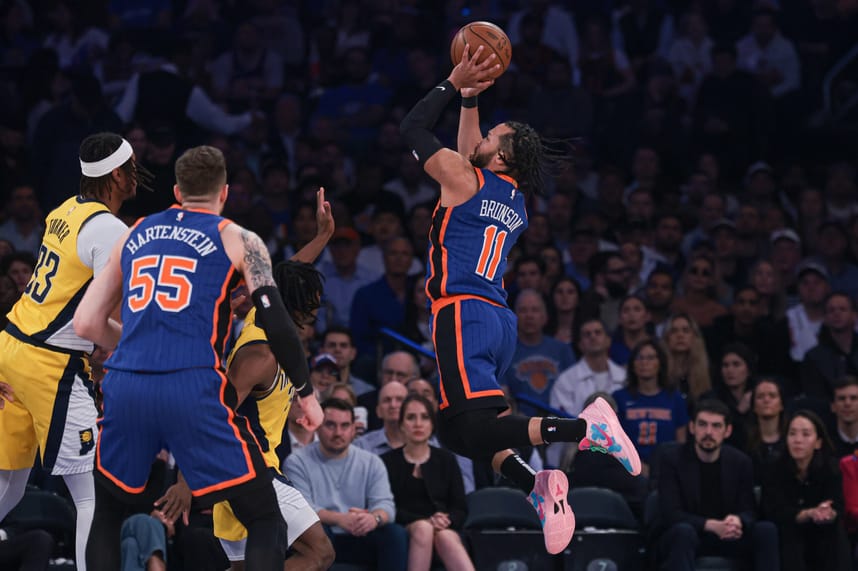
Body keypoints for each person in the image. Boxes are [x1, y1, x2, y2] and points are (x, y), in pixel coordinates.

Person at [399, 43, 641, 555]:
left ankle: (586, 427)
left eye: (491, 136)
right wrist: (470, 100)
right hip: (497, 321)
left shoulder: (463, 179)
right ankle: (538, 485)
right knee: (458, 433)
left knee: (471, 426)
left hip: (462, 312)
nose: (481, 137)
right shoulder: (513, 199)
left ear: (502, 156)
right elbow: (472, 152)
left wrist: (450, 82)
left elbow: (412, 129)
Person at [72, 145, 313, 570]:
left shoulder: (133, 232)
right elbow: (277, 321)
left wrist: (134, 344)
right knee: (264, 517)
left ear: (177, 192)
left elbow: (87, 323)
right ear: (225, 193)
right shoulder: (239, 238)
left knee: (107, 512)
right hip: (192, 384)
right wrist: (307, 393)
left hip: (127, 384)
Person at [0, 132, 152, 571]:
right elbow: (101, 317)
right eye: (132, 168)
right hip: (50, 364)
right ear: (117, 175)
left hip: (11, 345)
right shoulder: (111, 231)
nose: (137, 176)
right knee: (93, 497)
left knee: (9, 484)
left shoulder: (64, 210)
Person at [214, 255, 335, 567]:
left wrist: (323, 236)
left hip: (247, 468)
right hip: (251, 468)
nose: (318, 305)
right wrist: (186, 482)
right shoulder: (260, 355)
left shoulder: (264, 314)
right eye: (313, 298)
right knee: (319, 552)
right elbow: (214, 416)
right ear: (299, 303)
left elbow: (282, 276)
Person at [285, 398, 408, 570]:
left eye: (345, 426)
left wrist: (373, 518)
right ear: (317, 426)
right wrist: (340, 519)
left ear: (353, 429)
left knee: (395, 534)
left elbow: (386, 505)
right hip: (322, 537)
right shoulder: (297, 461)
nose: (338, 432)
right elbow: (303, 510)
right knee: (318, 531)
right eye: (330, 425)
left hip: (360, 534)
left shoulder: (371, 462)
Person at [657, 399, 779, 570]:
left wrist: (738, 520)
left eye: (716, 426)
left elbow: (749, 510)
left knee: (766, 530)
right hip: (690, 535)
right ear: (692, 428)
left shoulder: (740, 462)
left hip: (727, 535)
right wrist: (710, 525)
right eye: (702, 425)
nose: (709, 432)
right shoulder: (672, 460)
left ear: (727, 431)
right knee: (683, 532)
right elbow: (670, 513)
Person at [381, 395, 473, 571]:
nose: (418, 424)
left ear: (432, 424)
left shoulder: (446, 459)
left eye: (424, 417)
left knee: (446, 537)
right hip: (405, 526)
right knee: (423, 529)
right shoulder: (387, 462)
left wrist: (446, 520)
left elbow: (460, 508)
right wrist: (427, 521)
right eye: (411, 417)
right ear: (401, 425)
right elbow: (389, 507)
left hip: (443, 528)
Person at [761, 410, 851, 571]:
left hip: (821, 532)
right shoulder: (774, 468)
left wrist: (828, 513)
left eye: (806, 434)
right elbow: (773, 511)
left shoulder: (831, 468)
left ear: (818, 443)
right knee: (788, 534)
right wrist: (808, 514)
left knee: (834, 530)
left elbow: (838, 506)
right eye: (792, 434)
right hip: (787, 532)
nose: (798, 440)